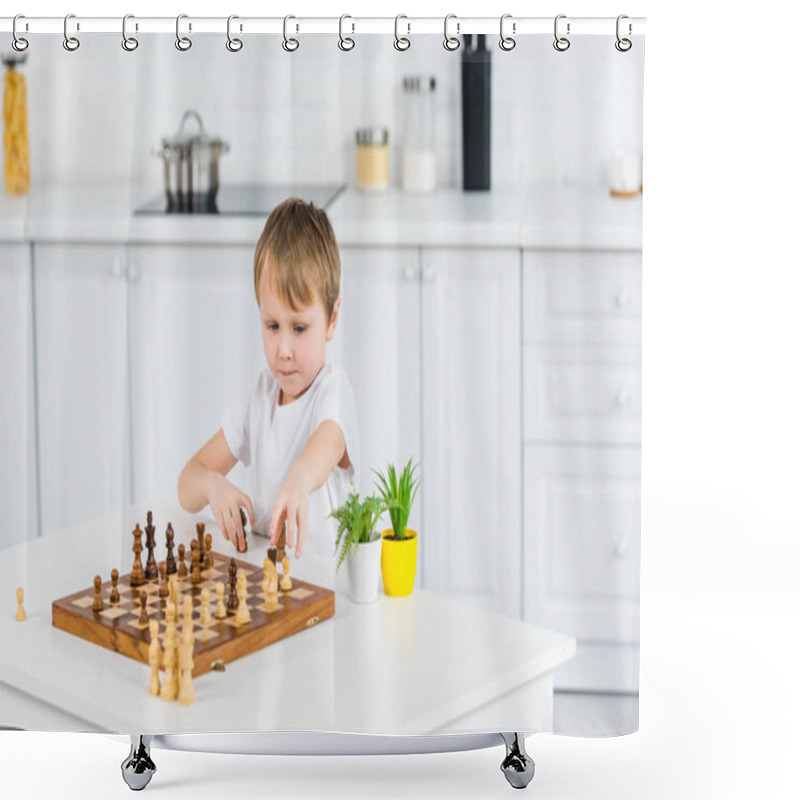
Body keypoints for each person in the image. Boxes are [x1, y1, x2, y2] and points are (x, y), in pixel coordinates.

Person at [177, 198, 358, 559]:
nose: (284, 349)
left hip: (327, 597)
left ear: (332, 319)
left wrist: (299, 481)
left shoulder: (332, 391)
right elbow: (187, 484)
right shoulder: (260, 400)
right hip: (270, 593)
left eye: (300, 328)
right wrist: (214, 486)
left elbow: (330, 442)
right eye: (272, 326)